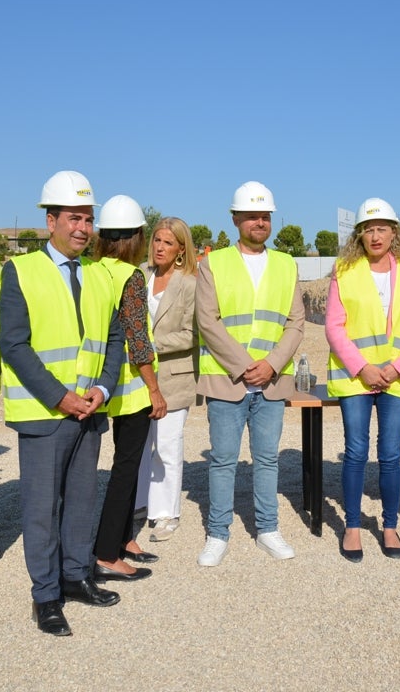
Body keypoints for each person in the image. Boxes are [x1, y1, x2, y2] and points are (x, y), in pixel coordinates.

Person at [0, 171, 124, 637]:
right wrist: (60, 396)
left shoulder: (98, 275)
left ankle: (75, 577)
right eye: (74, 218)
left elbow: (113, 338)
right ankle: (45, 596)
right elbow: (14, 345)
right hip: (45, 415)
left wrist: (103, 389)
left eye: (88, 219)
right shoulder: (21, 271)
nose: (83, 228)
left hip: (89, 411)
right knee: (41, 509)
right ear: (50, 220)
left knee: (80, 502)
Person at [196, 181, 305, 567]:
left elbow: (296, 322)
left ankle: (267, 529)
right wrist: (247, 366)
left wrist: (272, 364)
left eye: (266, 216)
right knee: (223, 460)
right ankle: (218, 533)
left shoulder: (286, 264)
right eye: (253, 215)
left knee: (267, 459)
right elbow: (207, 322)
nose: (260, 222)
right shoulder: (213, 262)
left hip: (271, 382)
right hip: (229, 380)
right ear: (236, 218)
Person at [326, 198, 400, 562]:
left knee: (390, 453)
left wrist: (398, 368)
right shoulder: (344, 270)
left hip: (397, 376)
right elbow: (334, 327)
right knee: (355, 451)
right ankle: (353, 526)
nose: (376, 234)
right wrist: (363, 368)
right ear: (360, 234)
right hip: (357, 376)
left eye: (382, 227)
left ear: (394, 232)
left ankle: (389, 525)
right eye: (369, 228)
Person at [91, 194, 166, 582]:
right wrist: (154, 388)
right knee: (125, 469)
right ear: (136, 237)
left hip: (100, 384)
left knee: (121, 468)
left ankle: (122, 539)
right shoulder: (132, 276)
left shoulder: (94, 270)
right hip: (131, 387)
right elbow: (138, 338)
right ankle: (107, 554)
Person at [135, 217, 198, 543]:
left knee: (168, 447)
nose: (160, 247)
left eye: (168, 242)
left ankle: (166, 514)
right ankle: (141, 502)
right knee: (140, 444)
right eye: (157, 240)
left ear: (180, 249)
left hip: (174, 376)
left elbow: (192, 334)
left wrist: (151, 345)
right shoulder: (141, 276)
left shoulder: (190, 283)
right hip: (139, 377)